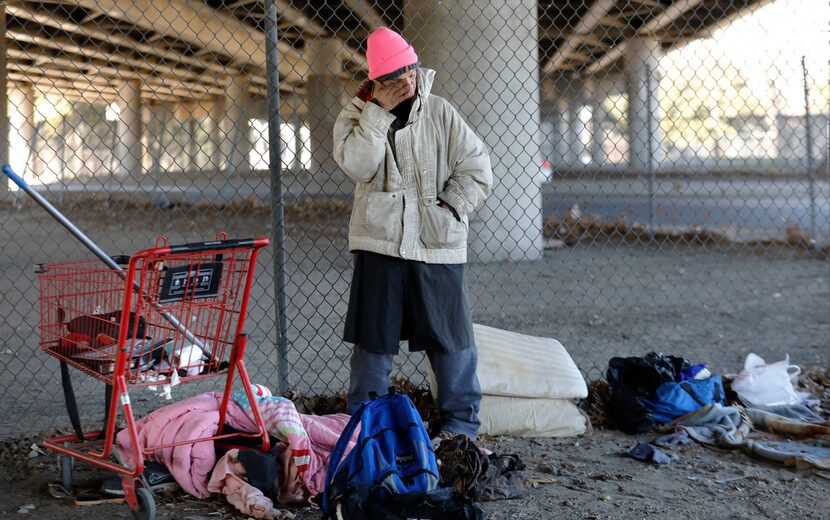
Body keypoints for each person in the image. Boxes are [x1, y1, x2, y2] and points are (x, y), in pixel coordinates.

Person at [332, 28, 493, 441]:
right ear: (376, 83)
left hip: (438, 243)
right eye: (395, 77)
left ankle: (460, 425)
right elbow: (359, 166)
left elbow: (477, 167)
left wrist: (451, 206)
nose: (407, 80)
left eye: (411, 70)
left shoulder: (441, 112)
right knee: (374, 337)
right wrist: (377, 114)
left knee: (450, 335)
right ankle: (368, 425)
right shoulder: (355, 116)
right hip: (380, 242)